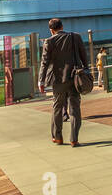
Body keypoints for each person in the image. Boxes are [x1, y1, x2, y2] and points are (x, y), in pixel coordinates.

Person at [38, 17, 88, 147]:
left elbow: (45, 63)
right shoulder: (75, 37)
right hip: (75, 77)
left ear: (51, 30)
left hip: (57, 79)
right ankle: (74, 139)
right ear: (62, 26)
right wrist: (86, 71)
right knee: (75, 108)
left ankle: (58, 137)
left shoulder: (48, 42)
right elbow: (84, 56)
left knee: (57, 107)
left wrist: (41, 81)